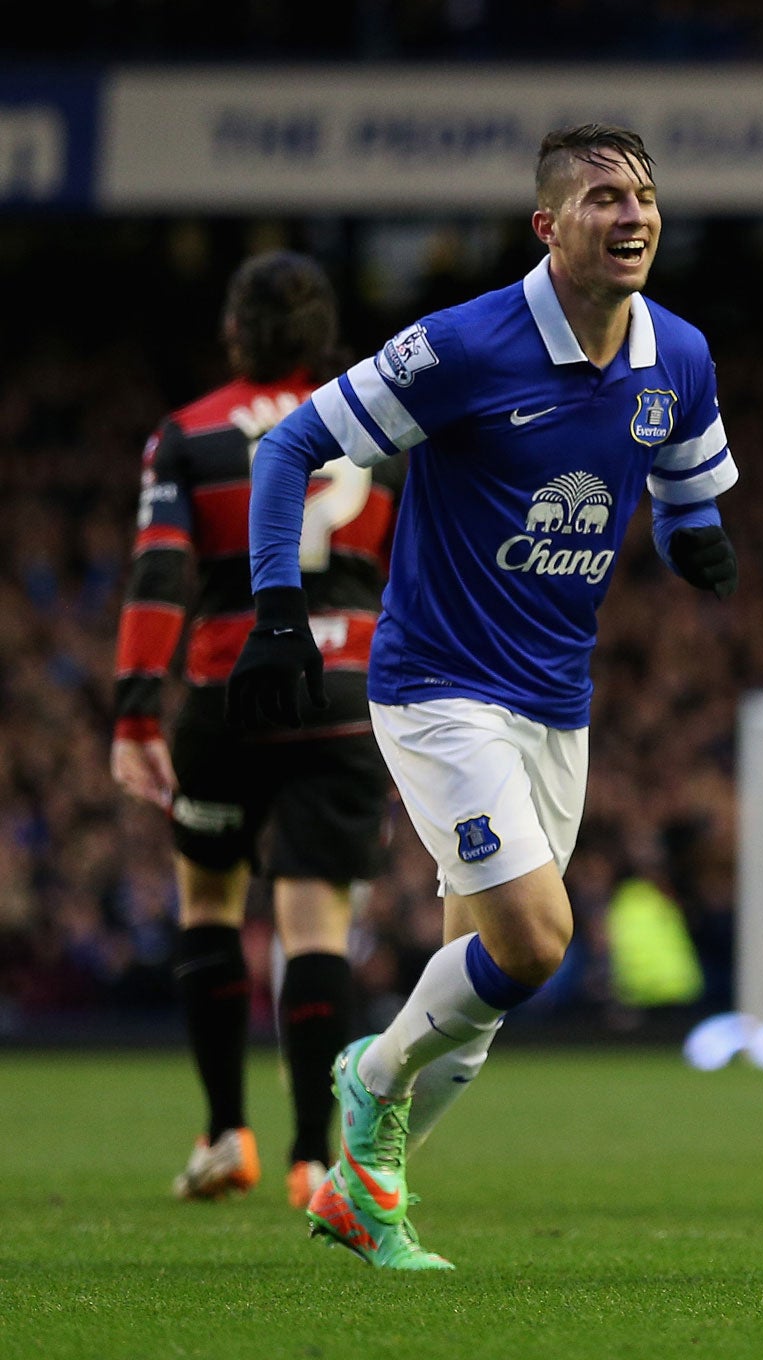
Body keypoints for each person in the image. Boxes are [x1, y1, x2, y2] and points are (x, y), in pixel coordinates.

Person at [231, 124, 739, 1270]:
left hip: (557, 702)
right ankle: (366, 1079)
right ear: (546, 225)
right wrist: (274, 610)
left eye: (645, 196)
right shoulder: (462, 346)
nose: (632, 216)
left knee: (482, 992)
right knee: (537, 934)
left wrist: (697, 536)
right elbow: (289, 449)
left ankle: (366, 1193)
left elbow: (684, 472)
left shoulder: (680, 354)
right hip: (437, 687)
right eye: (603, 197)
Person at [112, 250, 400, 1212]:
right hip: (348, 688)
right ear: (325, 335)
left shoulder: (188, 435)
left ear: (234, 331)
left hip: (229, 686)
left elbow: (159, 575)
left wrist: (132, 710)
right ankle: (312, 1157)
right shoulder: (381, 428)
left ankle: (225, 1130)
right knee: (316, 920)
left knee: (210, 903)